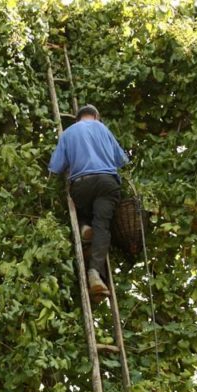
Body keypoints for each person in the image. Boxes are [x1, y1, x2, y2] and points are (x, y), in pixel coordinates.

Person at [48, 104, 129, 299]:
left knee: (82, 206)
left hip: (82, 184)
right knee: (102, 226)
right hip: (107, 183)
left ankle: (84, 225)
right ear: (96, 116)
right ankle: (94, 272)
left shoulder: (68, 133)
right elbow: (122, 160)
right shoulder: (103, 128)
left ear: (77, 118)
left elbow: (55, 167)